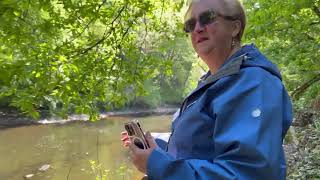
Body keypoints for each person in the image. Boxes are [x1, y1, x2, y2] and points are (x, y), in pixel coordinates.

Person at [121, 0, 293, 179]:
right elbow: (198, 150)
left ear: (235, 27)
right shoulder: (212, 83)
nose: (197, 28)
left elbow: (248, 172)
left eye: (207, 18)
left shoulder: (254, 83)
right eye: (190, 24)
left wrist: (157, 164)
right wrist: (156, 148)